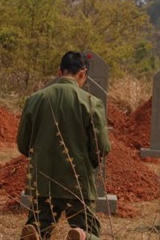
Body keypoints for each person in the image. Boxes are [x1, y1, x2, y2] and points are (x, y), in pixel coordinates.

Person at [18, 51, 111, 240]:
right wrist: (89, 163)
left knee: (39, 224)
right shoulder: (91, 103)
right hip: (77, 180)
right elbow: (101, 146)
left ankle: (35, 233)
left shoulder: (34, 100)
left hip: (42, 179)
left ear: (59, 71)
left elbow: (23, 143)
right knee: (89, 229)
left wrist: (39, 157)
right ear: (83, 73)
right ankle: (82, 236)